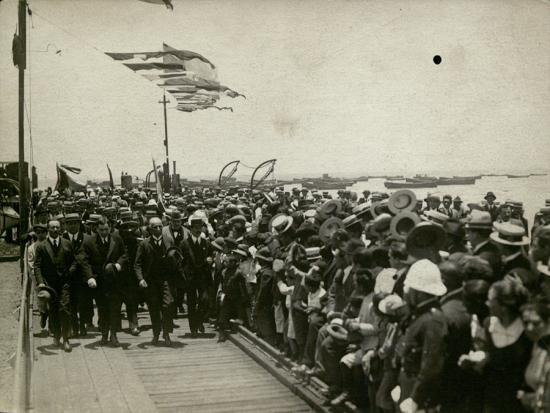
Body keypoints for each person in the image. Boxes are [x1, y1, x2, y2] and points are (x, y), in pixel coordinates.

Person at [460, 278, 532, 413]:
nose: (487, 304)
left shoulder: (528, 331)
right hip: (493, 398)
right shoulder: (489, 325)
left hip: (518, 402)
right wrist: (477, 358)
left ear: (504, 306)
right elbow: (490, 354)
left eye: (490, 300)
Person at [398, 259, 448, 413]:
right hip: (408, 382)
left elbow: (431, 364)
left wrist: (415, 398)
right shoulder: (420, 315)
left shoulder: (433, 320)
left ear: (418, 292)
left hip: (419, 393)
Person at [81, 217, 128, 346]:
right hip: (99, 282)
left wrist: (119, 264)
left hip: (114, 280)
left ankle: (113, 335)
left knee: (115, 308)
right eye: (101, 230)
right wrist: (90, 277)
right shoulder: (89, 242)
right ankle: (104, 334)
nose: (104, 232)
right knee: (102, 308)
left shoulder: (116, 239)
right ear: (96, 229)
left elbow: (124, 254)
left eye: (106, 229)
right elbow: (85, 261)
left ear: (109, 228)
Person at [135, 217, 182, 345]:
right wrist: (141, 279)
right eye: (155, 227)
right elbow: (137, 264)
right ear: (149, 229)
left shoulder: (169, 240)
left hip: (166, 279)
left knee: (168, 305)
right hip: (151, 281)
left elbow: (177, 258)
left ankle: (166, 333)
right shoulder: (144, 244)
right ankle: (156, 334)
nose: (158, 229)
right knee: (154, 308)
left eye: (160, 226)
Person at [34, 220, 75, 352]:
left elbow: (74, 261)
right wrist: (40, 282)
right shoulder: (41, 246)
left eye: (57, 227)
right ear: (48, 229)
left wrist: (70, 273)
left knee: (65, 309)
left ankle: (66, 339)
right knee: (54, 311)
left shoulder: (67, 243)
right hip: (50, 285)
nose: (55, 230)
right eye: (52, 228)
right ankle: (56, 336)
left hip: (64, 283)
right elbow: (37, 266)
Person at [180, 213, 214, 336]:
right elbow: (181, 262)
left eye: (200, 228)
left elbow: (211, 255)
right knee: (191, 302)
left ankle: (199, 320)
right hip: (190, 277)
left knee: (204, 299)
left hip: (203, 277)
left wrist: (210, 260)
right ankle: (193, 327)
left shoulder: (206, 243)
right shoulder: (184, 244)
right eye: (196, 228)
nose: (199, 230)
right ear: (191, 229)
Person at [518, 295, 550, 413]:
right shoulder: (533, 346)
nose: (530, 328)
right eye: (526, 323)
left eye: (536, 323)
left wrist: (529, 398)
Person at [466, 210, 502, 279]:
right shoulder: (492, 248)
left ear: (475, 234)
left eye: (469, 232)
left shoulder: (483, 256)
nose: (467, 235)